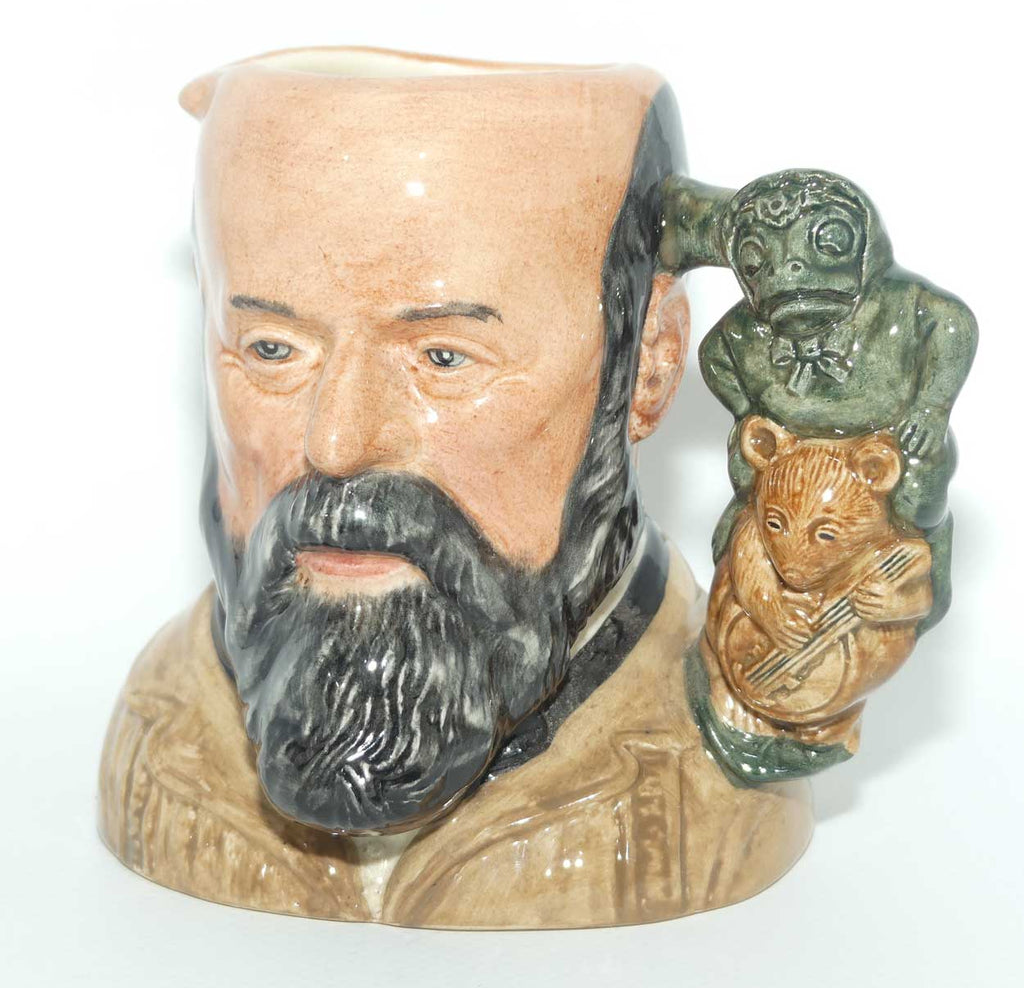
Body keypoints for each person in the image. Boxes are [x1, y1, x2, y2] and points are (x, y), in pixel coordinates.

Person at [99, 48, 810, 929]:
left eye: (443, 358)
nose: (337, 444)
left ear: (650, 363)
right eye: (274, 350)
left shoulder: (704, 767)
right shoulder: (167, 734)